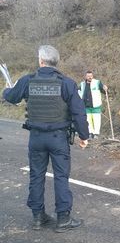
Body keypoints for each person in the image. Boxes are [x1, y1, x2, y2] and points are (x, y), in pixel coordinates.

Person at [2, 45, 89, 233]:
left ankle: (38, 218)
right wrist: (84, 136)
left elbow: (11, 97)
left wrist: (6, 90)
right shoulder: (67, 83)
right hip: (58, 138)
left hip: (36, 138)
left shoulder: (27, 81)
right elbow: (79, 113)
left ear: (41, 61)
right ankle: (63, 219)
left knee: (36, 176)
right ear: (55, 62)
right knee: (61, 177)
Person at [79, 71, 108, 139]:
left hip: (96, 105)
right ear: (85, 77)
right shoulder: (82, 84)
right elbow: (78, 91)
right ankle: (90, 133)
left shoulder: (97, 82)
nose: (90, 77)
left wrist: (105, 89)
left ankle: (96, 134)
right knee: (88, 120)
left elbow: (103, 91)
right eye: (88, 76)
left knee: (96, 120)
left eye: (91, 76)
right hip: (86, 105)